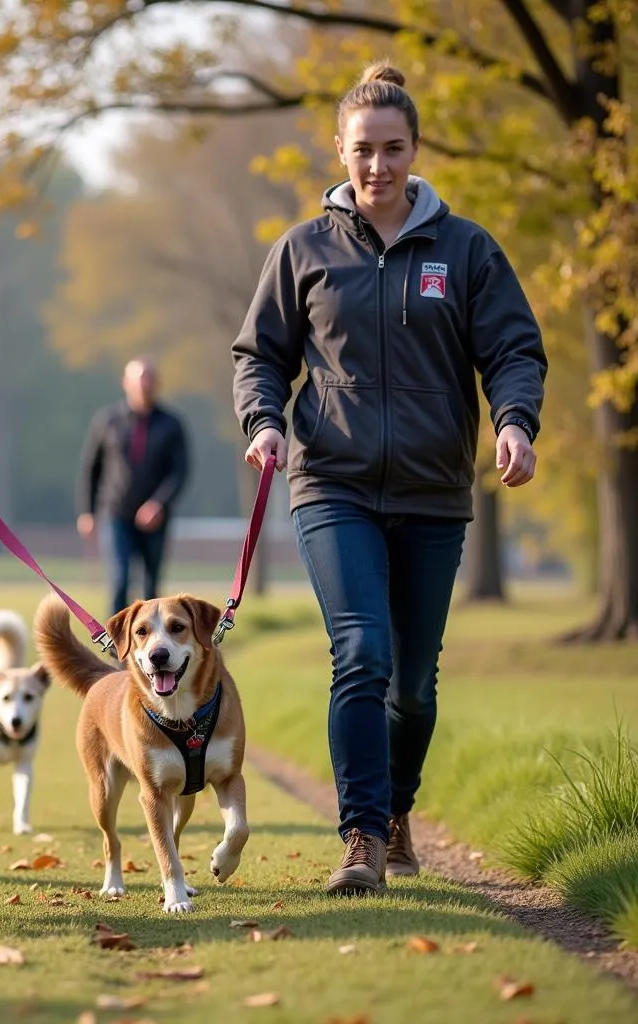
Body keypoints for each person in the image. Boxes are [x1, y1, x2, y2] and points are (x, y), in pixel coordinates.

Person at [231, 62, 546, 895]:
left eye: (393, 149)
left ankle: (398, 808)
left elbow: (513, 350)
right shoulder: (302, 250)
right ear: (339, 150)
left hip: (435, 491)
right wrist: (264, 424)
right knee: (361, 653)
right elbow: (259, 357)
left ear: (416, 150)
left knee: (413, 683)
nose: (377, 166)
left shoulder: (467, 249)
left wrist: (515, 422)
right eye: (362, 150)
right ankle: (363, 837)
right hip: (330, 485)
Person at [77, 358, 189, 617]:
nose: (144, 386)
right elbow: (91, 469)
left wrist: (159, 504)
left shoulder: (172, 424)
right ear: (126, 383)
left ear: (157, 384)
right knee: (120, 580)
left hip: (156, 518)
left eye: (149, 379)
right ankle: (116, 652)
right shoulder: (107, 420)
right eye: (139, 380)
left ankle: (154, 653)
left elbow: (179, 472)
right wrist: (87, 511)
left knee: (152, 589)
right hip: (116, 513)